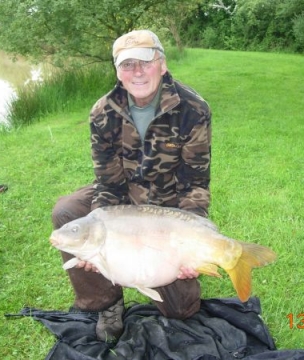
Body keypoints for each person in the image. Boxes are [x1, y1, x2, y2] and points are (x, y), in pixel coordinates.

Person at [51, 29, 212, 342]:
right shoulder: (102, 112)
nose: (137, 72)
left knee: (182, 309)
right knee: (69, 213)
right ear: (117, 71)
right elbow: (107, 183)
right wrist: (95, 236)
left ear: (162, 64)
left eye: (145, 62)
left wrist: (194, 238)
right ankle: (107, 303)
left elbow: (195, 182)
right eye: (127, 65)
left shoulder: (193, 109)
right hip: (122, 200)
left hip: (166, 208)